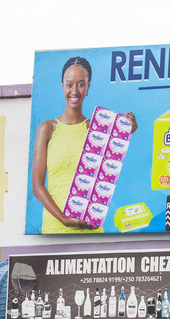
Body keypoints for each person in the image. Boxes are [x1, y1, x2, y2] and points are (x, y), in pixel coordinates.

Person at [29, 56, 136, 234]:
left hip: (91, 230)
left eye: (81, 84)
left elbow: (108, 168)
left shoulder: (98, 129)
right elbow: (37, 187)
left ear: (88, 86)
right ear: (62, 85)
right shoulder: (47, 129)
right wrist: (64, 219)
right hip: (55, 231)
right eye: (69, 84)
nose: (74, 91)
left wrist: (126, 132)